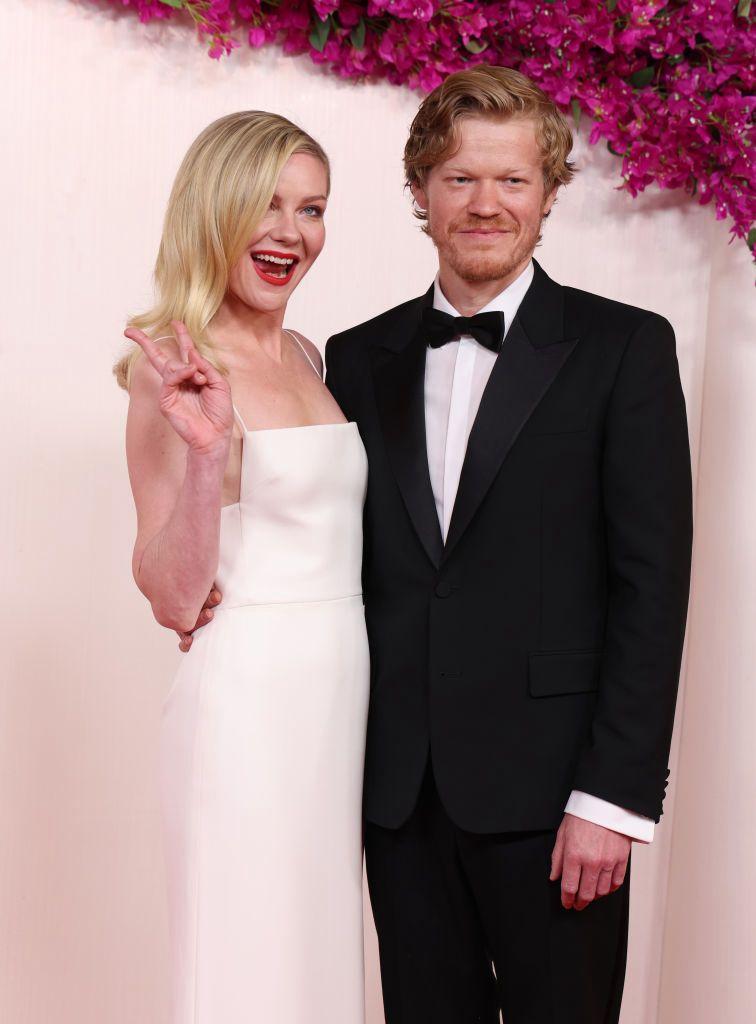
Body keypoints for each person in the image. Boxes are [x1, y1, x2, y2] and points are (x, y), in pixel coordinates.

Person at [183, 65, 693, 1022]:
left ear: (549, 196)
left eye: (513, 180)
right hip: (397, 802)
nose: (487, 203)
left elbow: (653, 586)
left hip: (557, 804)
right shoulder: (356, 356)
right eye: (460, 178)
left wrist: (611, 800)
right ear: (419, 193)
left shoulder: (626, 348)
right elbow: (329, 532)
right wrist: (228, 593)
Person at [114, 111, 369, 1024]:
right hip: (247, 711)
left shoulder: (308, 354)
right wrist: (203, 449)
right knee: (245, 963)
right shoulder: (175, 364)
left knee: (314, 955)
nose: (290, 233)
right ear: (212, 209)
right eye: (265, 204)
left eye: (312, 208)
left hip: (337, 708)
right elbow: (173, 596)